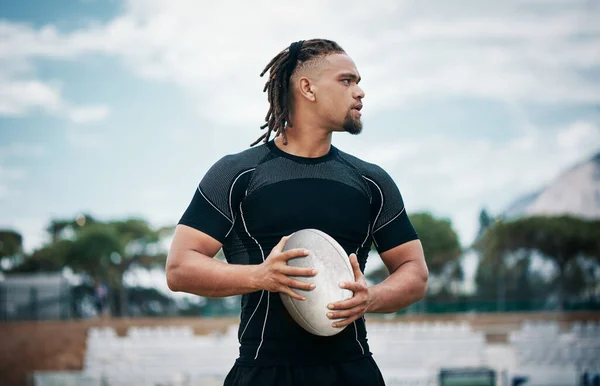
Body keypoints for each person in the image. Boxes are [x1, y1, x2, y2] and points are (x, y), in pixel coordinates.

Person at [166, 38, 428, 386]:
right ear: (308, 88)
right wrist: (260, 276)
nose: (360, 92)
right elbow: (179, 267)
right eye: (347, 80)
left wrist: (372, 297)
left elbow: (415, 272)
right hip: (263, 372)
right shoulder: (237, 174)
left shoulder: (371, 181)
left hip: (352, 372)